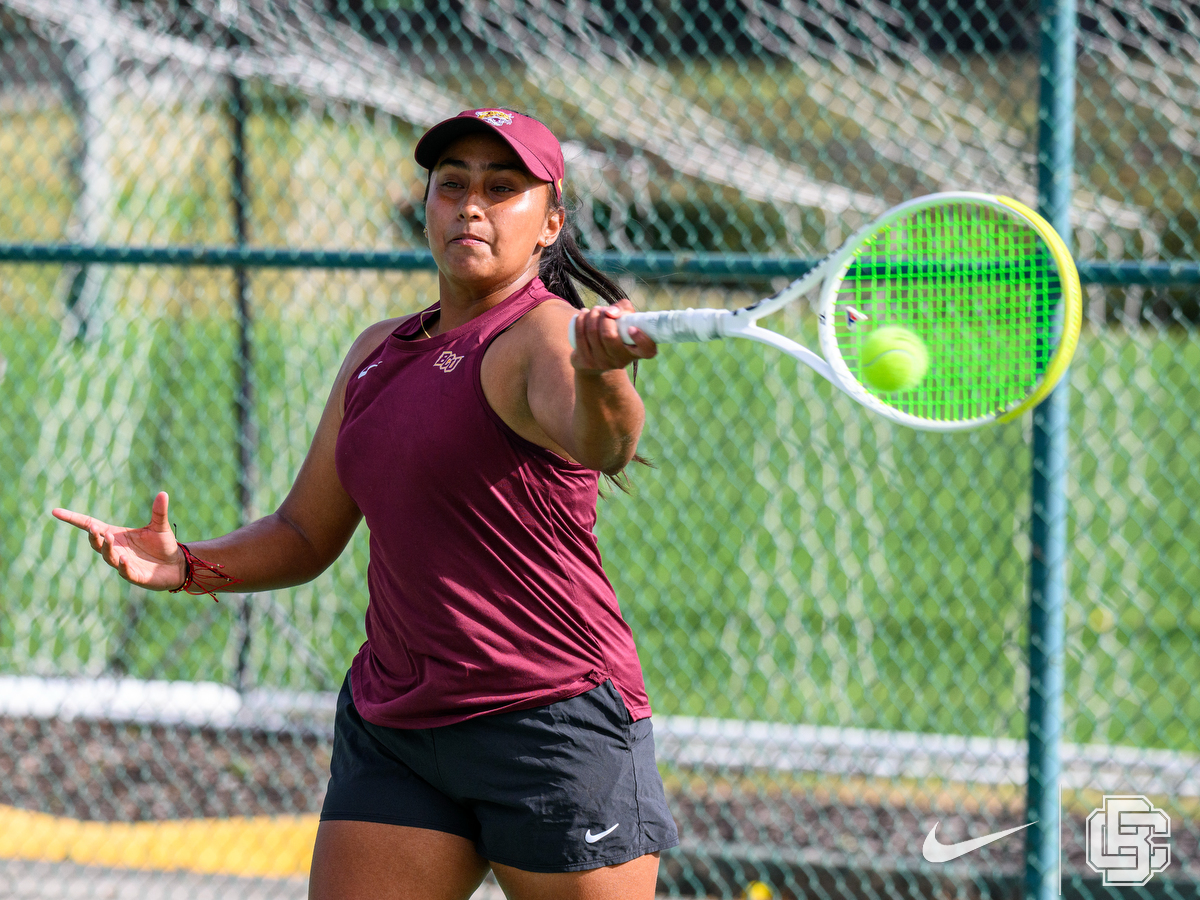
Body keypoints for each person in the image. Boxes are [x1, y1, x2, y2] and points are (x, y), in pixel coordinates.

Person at [52, 107, 679, 900]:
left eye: (502, 188)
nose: (471, 205)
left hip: (546, 720)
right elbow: (304, 532)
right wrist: (184, 566)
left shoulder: (546, 336)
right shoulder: (377, 354)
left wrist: (603, 375)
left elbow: (605, 445)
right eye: (451, 186)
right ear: (427, 206)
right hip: (399, 728)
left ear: (550, 220)